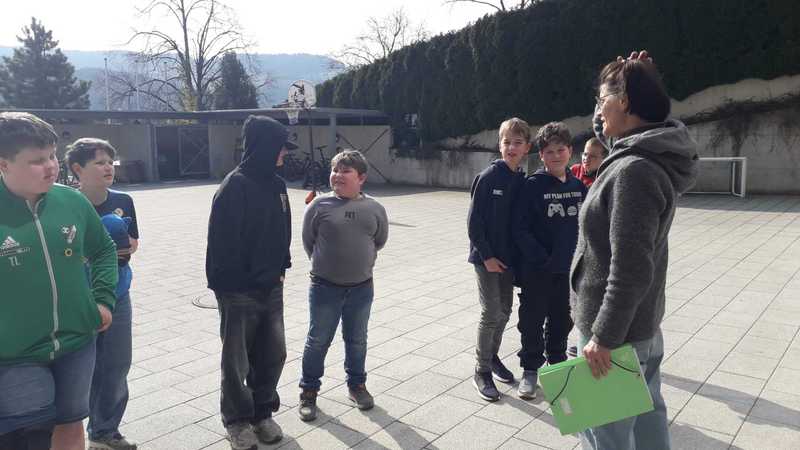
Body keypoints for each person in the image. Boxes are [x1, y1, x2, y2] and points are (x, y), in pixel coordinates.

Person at [571, 54, 698, 450]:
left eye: (602, 100)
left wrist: (603, 337)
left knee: (605, 435)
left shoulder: (633, 172)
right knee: (646, 426)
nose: (598, 110)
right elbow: (607, 127)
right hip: (639, 327)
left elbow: (630, 268)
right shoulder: (643, 151)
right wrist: (636, 80)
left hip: (616, 335)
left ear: (624, 102)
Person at [0, 112, 117, 450]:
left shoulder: (72, 201)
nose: (51, 166)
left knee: (70, 424)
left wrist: (103, 300)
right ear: (4, 163)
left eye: (52, 155)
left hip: (77, 343)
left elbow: (104, 249)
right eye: (37, 161)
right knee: (31, 436)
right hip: (16, 354)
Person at [205, 115, 297, 450]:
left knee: (273, 354)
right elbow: (222, 244)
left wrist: (282, 266)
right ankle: (237, 421)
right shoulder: (235, 186)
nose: (284, 153)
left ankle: (262, 413)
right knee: (237, 361)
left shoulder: (277, 185)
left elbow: (284, 227)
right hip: (239, 290)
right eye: (280, 147)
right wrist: (233, 286)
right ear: (264, 146)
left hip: (272, 285)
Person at [298, 150, 388, 421]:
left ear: (361, 178)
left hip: (361, 288)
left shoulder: (374, 208)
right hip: (324, 288)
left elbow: (379, 240)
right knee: (317, 341)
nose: (337, 175)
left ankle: (356, 385)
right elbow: (308, 241)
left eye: (345, 171)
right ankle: (309, 390)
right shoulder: (319, 206)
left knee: (357, 339)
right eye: (334, 170)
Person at [66, 138, 139, 450]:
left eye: (110, 161)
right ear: (77, 169)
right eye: (99, 162)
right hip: (76, 297)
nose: (108, 167)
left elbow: (132, 244)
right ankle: (68, 431)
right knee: (79, 369)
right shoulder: (64, 203)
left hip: (118, 294)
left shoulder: (123, 200)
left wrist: (118, 246)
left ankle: (104, 431)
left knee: (117, 364)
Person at [512, 122, 586, 399]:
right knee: (531, 321)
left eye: (561, 150)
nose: (556, 156)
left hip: (568, 273)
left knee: (561, 322)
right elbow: (520, 229)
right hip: (538, 271)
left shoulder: (579, 187)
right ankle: (530, 370)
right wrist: (541, 258)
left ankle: (557, 367)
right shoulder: (532, 186)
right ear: (541, 155)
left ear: (570, 151)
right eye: (550, 151)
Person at [467, 117, 529, 402]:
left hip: (508, 260)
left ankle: (492, 356)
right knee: (491, 312)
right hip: (486, 260)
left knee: (504, 311)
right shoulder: (489, 177)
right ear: (499, 145)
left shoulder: (521, 179)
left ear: (526, 148)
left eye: (518, 142)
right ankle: (481, 370)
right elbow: (474, 223)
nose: (511, 147)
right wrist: (487, 256)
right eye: (507, 142)